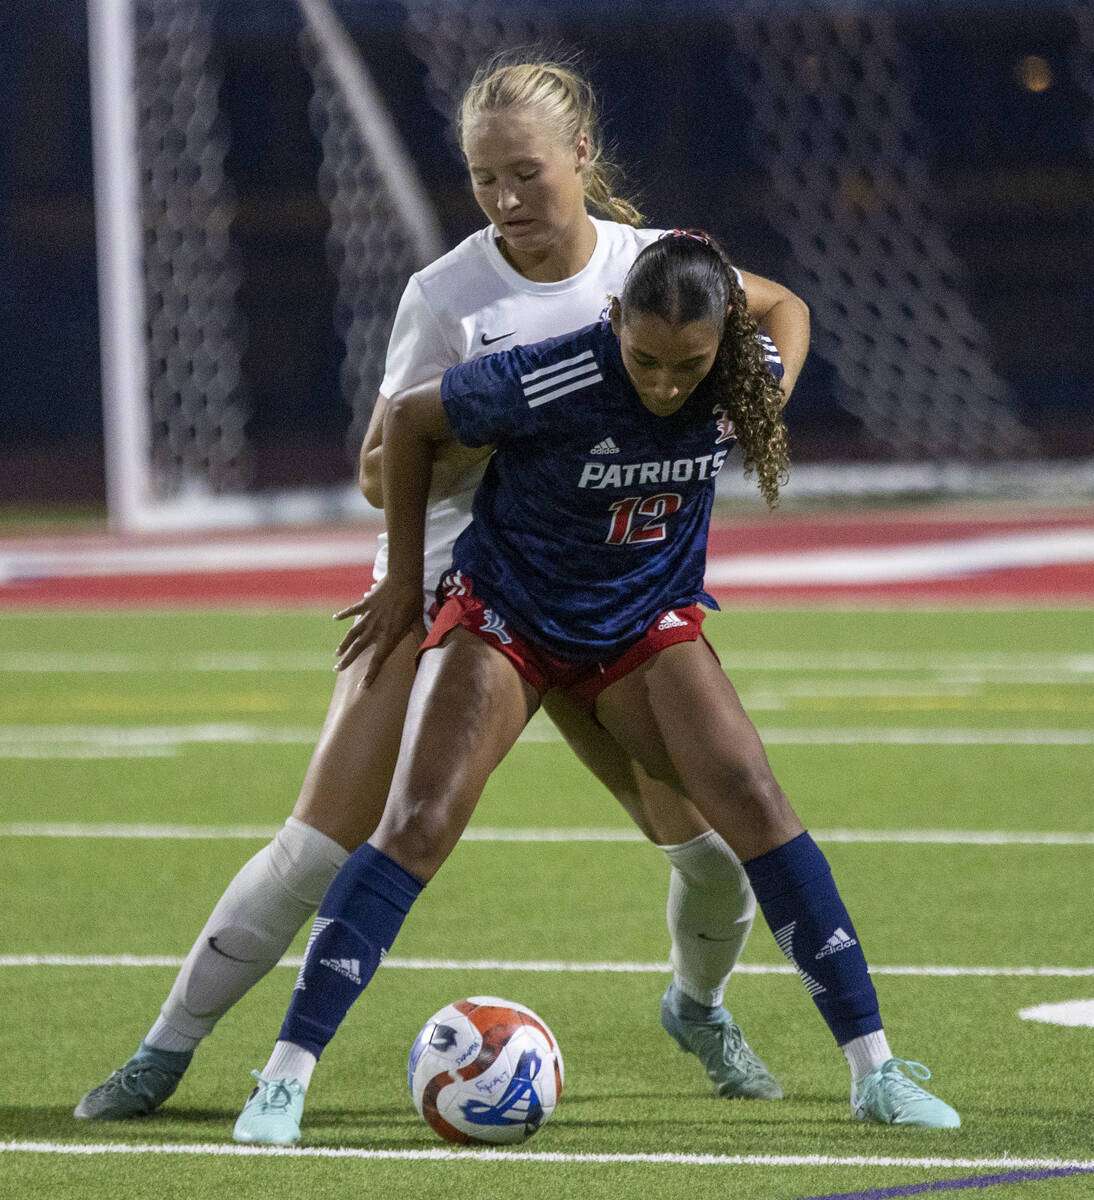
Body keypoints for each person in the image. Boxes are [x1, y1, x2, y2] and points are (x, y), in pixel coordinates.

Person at [75, 58, 809, 1122]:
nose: (506, 200)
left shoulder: (653, 268)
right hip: (455, 587)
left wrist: (764, 403)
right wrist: (495, 430)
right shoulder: (447, 295)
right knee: (317, 846)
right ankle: (162, 1053)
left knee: (711, 854)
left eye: (526, 173)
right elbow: (382, 470)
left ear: (581, 156)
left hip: (597, 594)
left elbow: (779, 305)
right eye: (483, 178)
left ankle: (697, 1009)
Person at [232, 231, 960, 1145]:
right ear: (614, 319)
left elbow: (790, 311)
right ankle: (282, 1082)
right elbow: (408, 425)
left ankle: (875, 1072)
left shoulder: (741, 374)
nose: (664, 384)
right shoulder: (555, 374)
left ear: (724, 340)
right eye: (644, 358)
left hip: (642, 625)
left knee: (755, 802)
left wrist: (769, 401)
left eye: (688, 364)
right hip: (509, 617)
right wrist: (404, 582)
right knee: (418, 822)